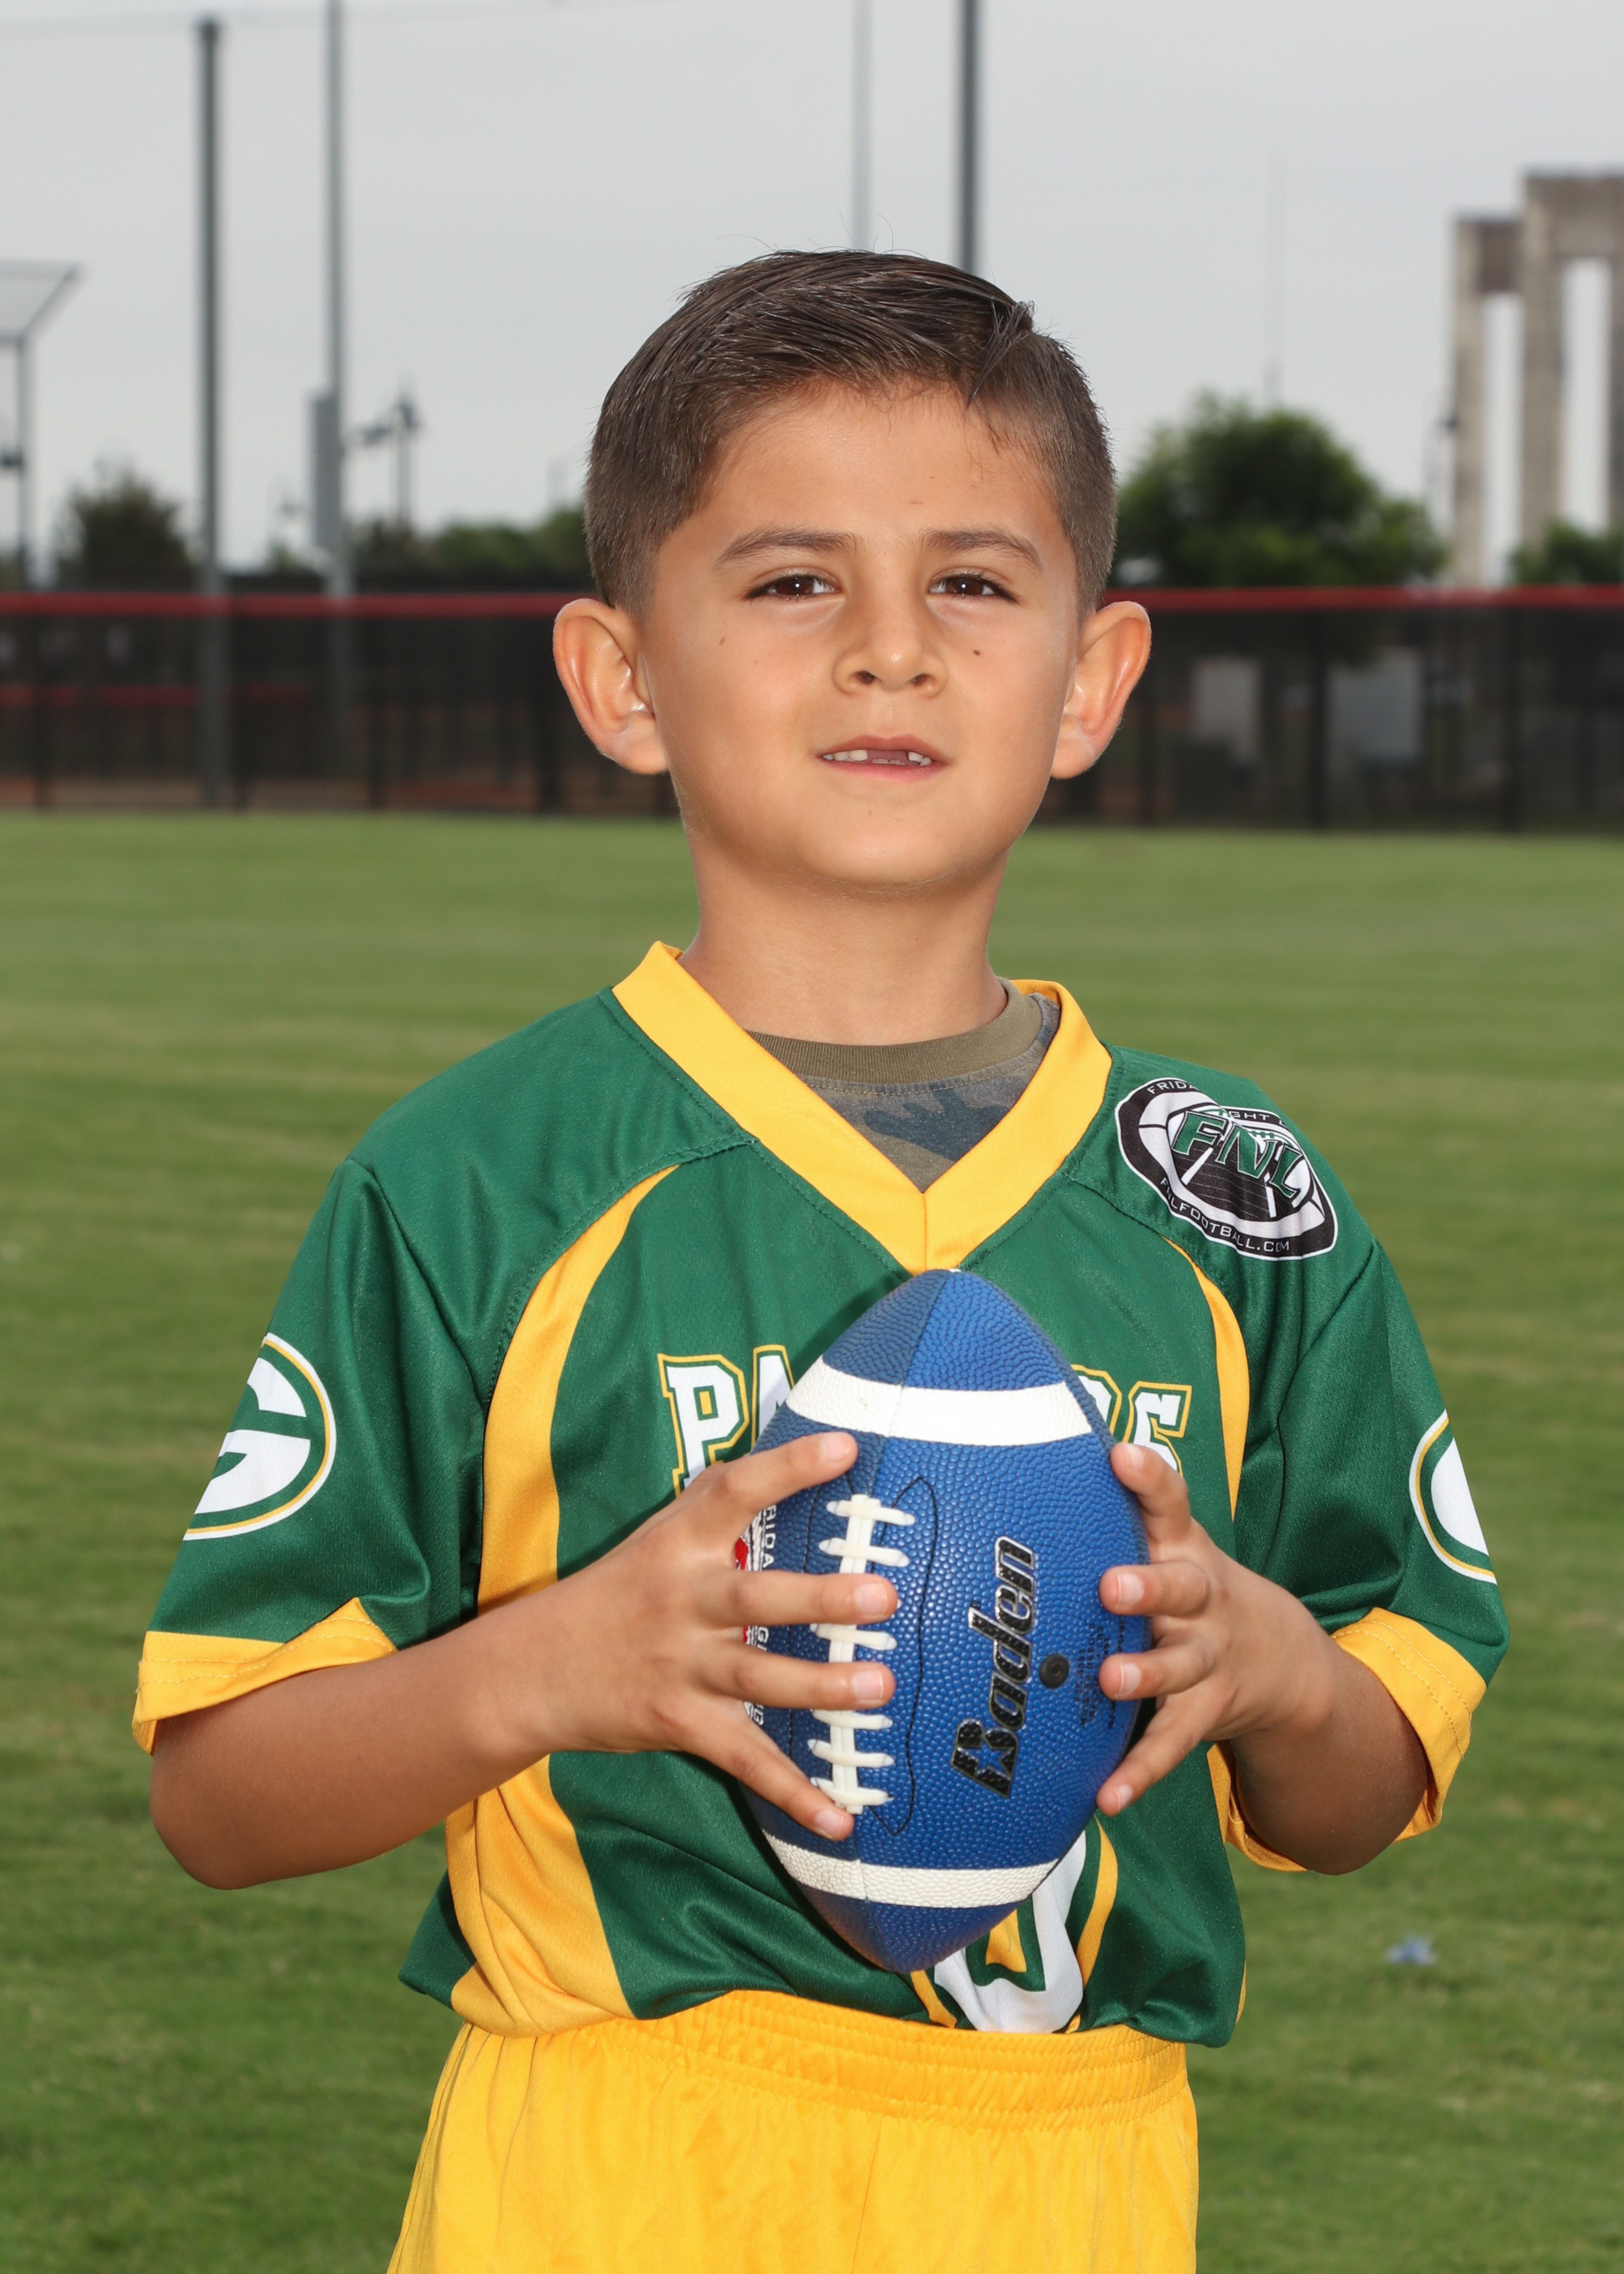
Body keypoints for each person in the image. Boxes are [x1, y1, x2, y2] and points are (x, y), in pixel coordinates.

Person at [138, 251, 1507, 2274]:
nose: (889, 651)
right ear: (622, 678)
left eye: (972, 582)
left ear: (1092, 678)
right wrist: (550, 1664)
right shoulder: (487, 1177)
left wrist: (1275, 1667)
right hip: (609, 2177)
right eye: (792, 580)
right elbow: (221, 1790)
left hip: (1077, 2185)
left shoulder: (1231, 1200)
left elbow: (1363, 1781)